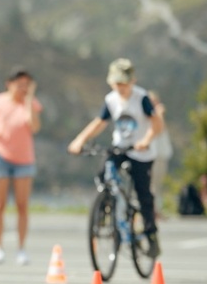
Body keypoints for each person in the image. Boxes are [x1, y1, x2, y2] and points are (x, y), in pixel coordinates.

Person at [67, 58, 164, 257]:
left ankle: (150, 233)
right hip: (120, 147)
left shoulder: (141, 98)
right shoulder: (111, 99)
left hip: (141, 152)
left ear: (132, 81)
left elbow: (157, 124)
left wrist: (146, 140)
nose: (120, 87)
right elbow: (100, 123)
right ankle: (105, 210)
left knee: (143, 193)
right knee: (104, 175)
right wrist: (80, 140)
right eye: (116, 83)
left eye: (123, 83)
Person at [0, 68, 42, 266]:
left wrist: (29, 100)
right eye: (19, 84)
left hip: (24, 158)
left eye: (26, 84)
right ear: (10, 83)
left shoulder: (31, 104)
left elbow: (34, 127)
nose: (23, 88)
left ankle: (21, 249)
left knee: (22, 205)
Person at [147, 91, 173, 218]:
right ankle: (151, 211)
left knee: (157, 185)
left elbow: (161, 128)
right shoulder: (148, 115)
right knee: (149, 184)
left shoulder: (157, 116)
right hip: (150, 155)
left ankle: (156, 209)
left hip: (160, 155)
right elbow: (158, 129)